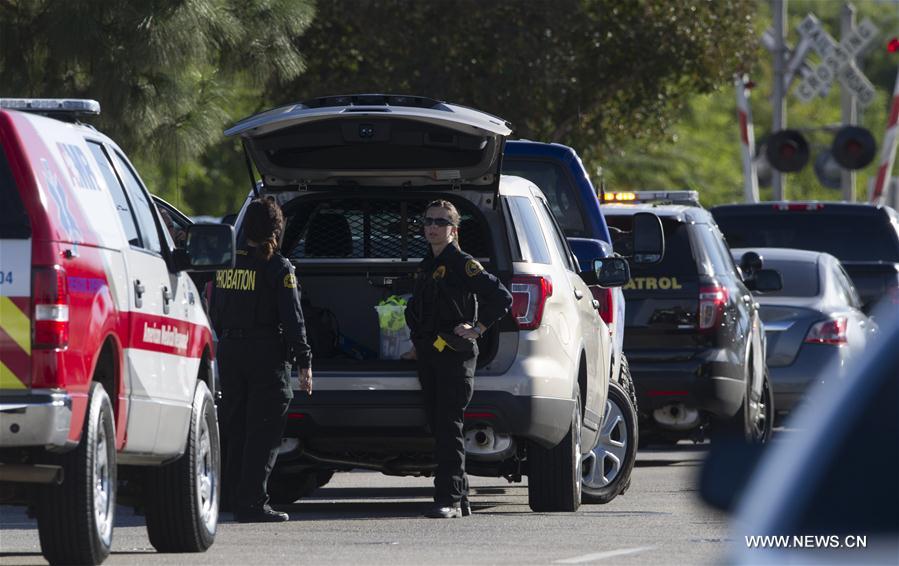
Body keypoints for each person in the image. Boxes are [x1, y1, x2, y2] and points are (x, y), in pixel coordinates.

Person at [405, 199, 512, 519]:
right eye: (428, 221)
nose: (433, 227)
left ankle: (448, 498)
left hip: (455, 358)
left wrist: (477, 328)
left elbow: (501, 297)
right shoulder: (427, 264)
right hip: (429, 355)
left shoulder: (463, 264)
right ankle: (461, 498)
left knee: (449, 427)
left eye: (440, 222)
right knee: (439, 426)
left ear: (453, 230)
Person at [210, 197, 313, 523]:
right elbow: (293, 318)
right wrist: (304, 360)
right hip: (265, 354)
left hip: (230, 351)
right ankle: (253, 502)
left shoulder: (226, 263)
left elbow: (214, 308)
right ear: (277, 229)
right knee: (264, 430)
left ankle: (226, 498)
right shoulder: (278, 268)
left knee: (233, 426)